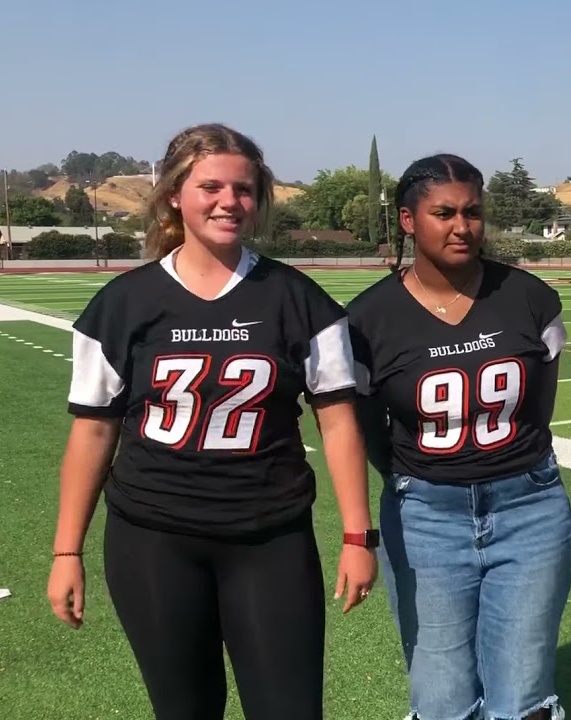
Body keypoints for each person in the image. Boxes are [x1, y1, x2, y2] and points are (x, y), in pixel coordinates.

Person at [46, 122, 379, 720]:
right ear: (175, 193)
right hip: (153, 537)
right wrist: (66, 551)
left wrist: (357, 535)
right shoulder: (123, 305)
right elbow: (93, 431)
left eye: (244, 189)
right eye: (211, 187)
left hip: (268, 534)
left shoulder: (299, 300)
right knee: (185, 710)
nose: (230, 202)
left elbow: (337, 421)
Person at [346, 153, 571, 720]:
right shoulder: (368, 319)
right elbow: (368, 431)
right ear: (407, 220)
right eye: (443, 212)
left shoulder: (528, 296)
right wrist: (416, 481)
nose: (461, 226)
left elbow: (538, 410)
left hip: (530, 507)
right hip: (426, 514)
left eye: (472, 212)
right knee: (441, 697)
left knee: (521, 695)